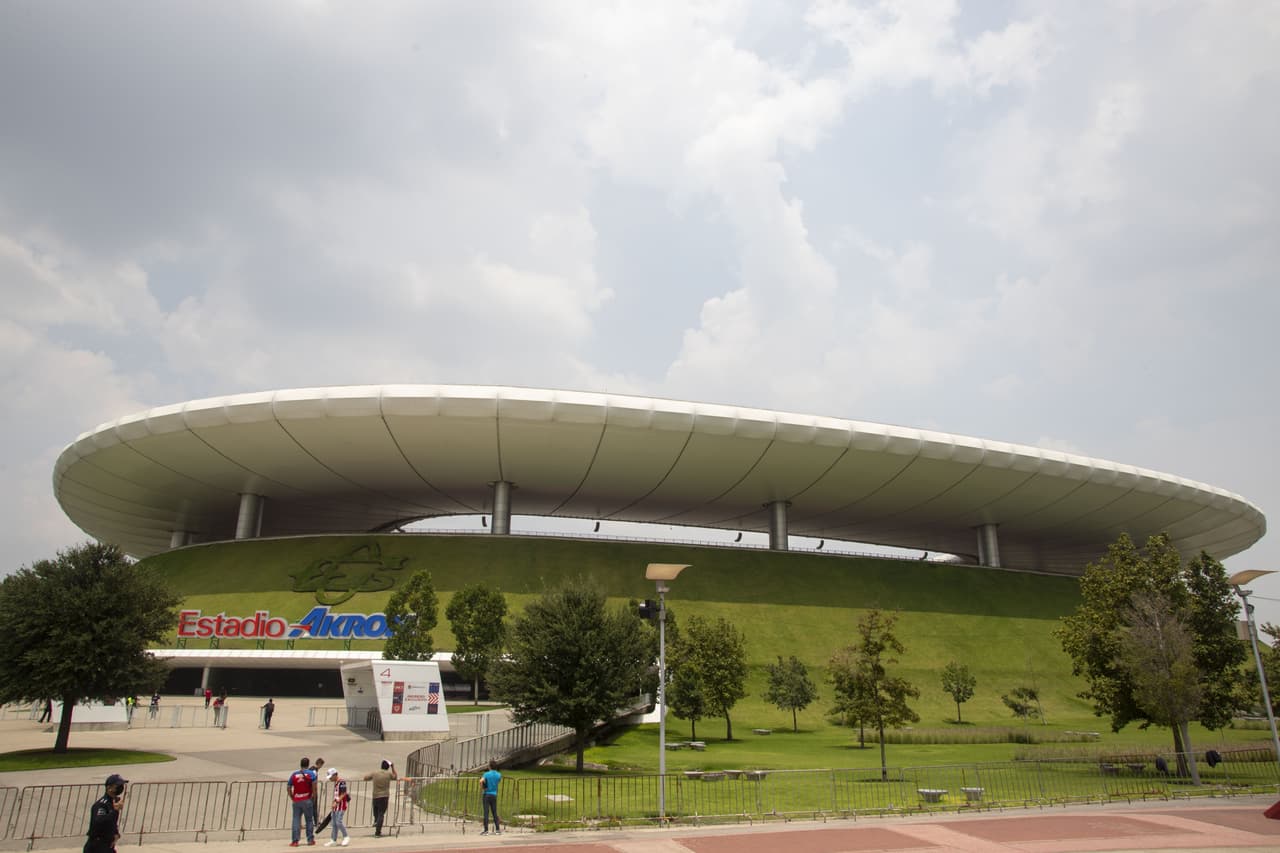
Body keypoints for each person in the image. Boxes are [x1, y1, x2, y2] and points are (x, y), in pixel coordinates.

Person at [84, 773, 126, 853]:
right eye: (117, 786)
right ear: (109, 788)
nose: (121, 788)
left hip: (107, 845)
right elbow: (99, 822)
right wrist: (115, 811)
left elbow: (112, 822)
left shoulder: (113, 802)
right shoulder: (101, 804)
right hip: (97, 846)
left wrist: (116, 834)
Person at [362, 759, 397, 837]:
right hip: (384, 796)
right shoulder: (388, 774)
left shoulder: (375, 773)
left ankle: (376, 821)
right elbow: (395, 777)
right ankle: (378, 832)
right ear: (388, 767)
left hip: (375, 796)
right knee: (381, 813)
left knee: (376, 812)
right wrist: (393, 767)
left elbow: (365, 778)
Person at [288, 757, 316, 846]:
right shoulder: (311, 774)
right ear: (308, 764)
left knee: (296, 820)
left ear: (300, 764)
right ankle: (310, 840)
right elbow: (314, 787)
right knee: (309, 820)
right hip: (307, 799)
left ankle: (295, 841)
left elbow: (288, 787)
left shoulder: (294, 774)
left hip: (297, 800)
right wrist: (313, 798)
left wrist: (292, 796)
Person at [323, 768, 349, 847]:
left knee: (338, 822)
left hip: (341, 806)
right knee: (334, 823)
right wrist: (334, 802)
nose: (330, 778)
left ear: (335, 775)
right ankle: (333, 840)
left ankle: (346, 836)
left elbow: (343, 793)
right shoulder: (336, 783)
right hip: (336, 806)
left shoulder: (341, 782)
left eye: (331, 776)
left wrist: (337, 802)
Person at [480, 760, 501, 836]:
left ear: (489, 766)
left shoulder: (486, 774)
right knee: (494, 812)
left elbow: (481, 781)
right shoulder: (499, 775)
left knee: (486, 812)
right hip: (494, 794)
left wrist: (483, 787)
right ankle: (498, 829)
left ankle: (486, 830)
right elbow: (498, 781)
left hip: (486, 794)